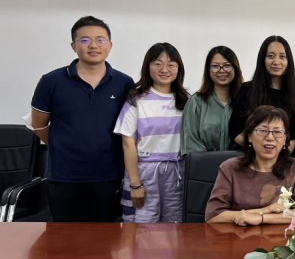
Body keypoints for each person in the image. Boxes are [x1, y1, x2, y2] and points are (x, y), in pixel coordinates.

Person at [30, 16, 134, 222]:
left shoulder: (124, 83)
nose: (93, 45)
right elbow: (38, 124)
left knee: (104, 236)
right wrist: (65, 147)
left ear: (110, 45)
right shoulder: (51, 81)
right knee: (64, 236)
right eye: (85, 40)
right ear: (73, 46)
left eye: (100, 40)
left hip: (108, 175)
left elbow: (129, 128)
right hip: (63, 177)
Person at [114, 43, 189, 223]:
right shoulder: (136, 99)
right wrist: (135, 184)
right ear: (148, 66)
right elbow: (128, 143)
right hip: (144, 172)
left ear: (179, 68)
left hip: (177, 171)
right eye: (157, 63)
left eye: (171, 64)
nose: (164, 69)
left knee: (175, 226)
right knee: (141, 225)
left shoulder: (187, 101)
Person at [206, 106, 295, 225]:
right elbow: (213, 216)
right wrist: (262, 211)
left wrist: (262, 218)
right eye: (263, 130)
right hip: (239, 235)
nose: (270, 138)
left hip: (282, 236)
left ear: (285, 139)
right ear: (249, 136)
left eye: (277, 132)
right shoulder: (230, 168)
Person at [229, 36, 295, 158]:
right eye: (270, 56)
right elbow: (234, 130)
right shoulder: (247, 90)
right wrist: (257, 145)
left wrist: (292, 144)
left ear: (289, 61)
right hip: (252, 159)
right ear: (263, 59)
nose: (276, 62)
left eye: (282, 56)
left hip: (287, 159)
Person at [180, 46, 243, 155]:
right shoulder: (196, 102)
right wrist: (211, 161)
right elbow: (190, 143)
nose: (221, 70)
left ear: (235, 68)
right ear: (208, 70)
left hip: (240, 163)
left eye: (227, 65)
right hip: (204, 164)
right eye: (215, 66)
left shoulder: (245, 100)